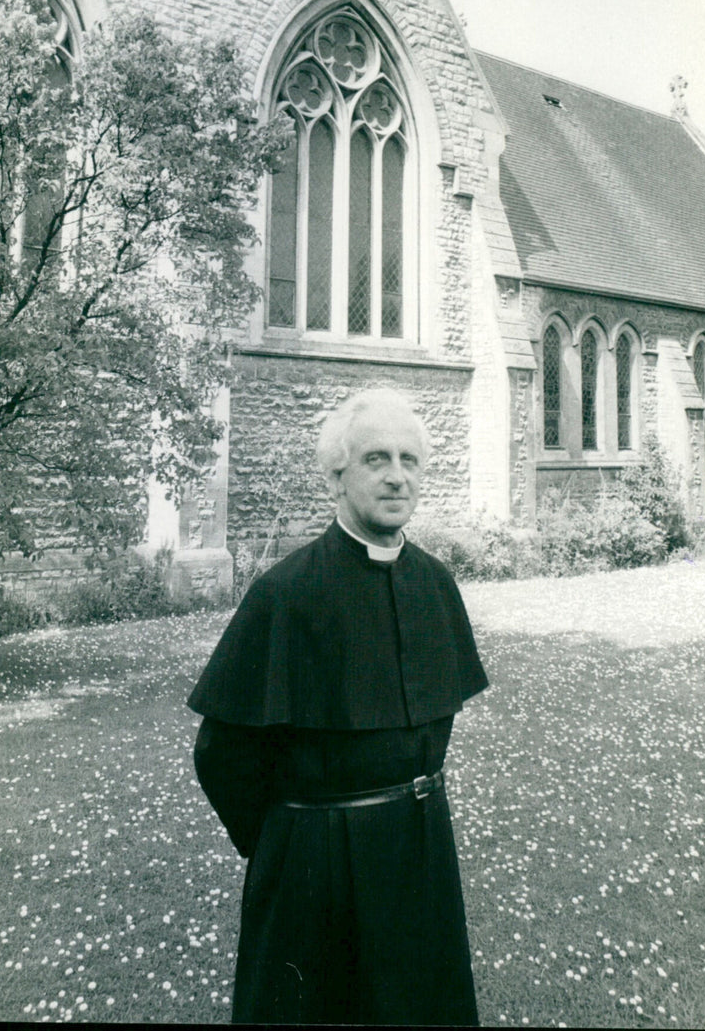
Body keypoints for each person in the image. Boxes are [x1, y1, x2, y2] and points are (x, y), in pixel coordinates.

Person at [187, 387, 488, 1026]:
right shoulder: (285, 593)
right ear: (336, 475)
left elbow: (437, 725)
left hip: (421, 849)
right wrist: (292, 835)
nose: (397, 476)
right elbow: (222, 756)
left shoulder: (437, 584)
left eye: (410, 460)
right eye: (377, 458)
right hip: (313, 866)